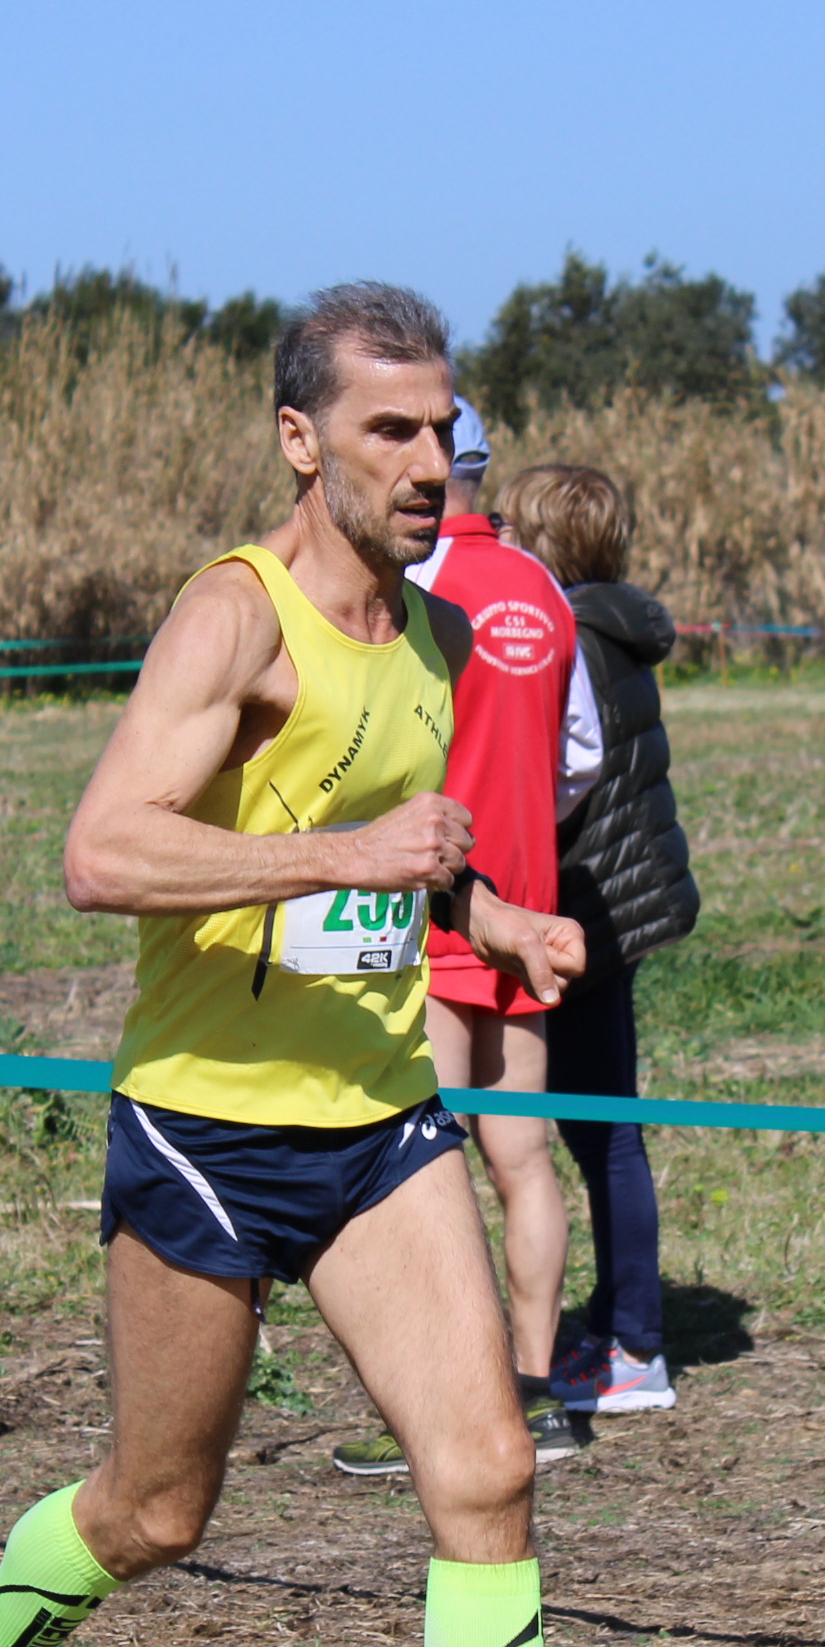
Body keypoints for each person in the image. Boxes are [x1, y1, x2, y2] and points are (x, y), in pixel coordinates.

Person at [0, 283, 671, 1647]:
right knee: (156, 1510)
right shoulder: (230, 618)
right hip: (204, 1130)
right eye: (391, 430)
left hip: (378, 1126)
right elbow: (104, 854)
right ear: (302, 439)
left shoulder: (435, 640)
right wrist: (343, 853)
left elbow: (407, 852)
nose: (430, 462)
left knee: (489, 1469)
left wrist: (494, 915)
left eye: (444, 428)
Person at [325, 396, 582, 1476]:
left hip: (437, 905)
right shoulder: (544, 589)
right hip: (529, 906)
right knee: (523, 1158)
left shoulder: (409, 590)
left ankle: (453, 1406)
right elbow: (581, 758)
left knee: (420, 1165)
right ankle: (538, 1391)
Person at [492, 460, 696, 1417]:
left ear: (543, 543)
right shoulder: (613, 625)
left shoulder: (562, 633)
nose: (498, 537)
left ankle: (635, 1349)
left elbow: (564, 776)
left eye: (511, 526)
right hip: (619, 897)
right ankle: (619, 1320)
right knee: (596, 1126)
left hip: (593, 905)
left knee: (603, 1131)